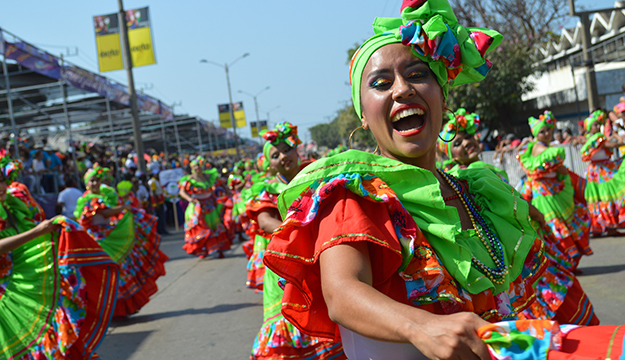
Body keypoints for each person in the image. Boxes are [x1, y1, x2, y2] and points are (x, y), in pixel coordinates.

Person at [262, 1, 607, 359]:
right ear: (364, 116)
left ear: (442, 95)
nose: (402, 90)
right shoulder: (354, 195)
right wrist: (422, 327)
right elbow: (343, 293)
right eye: (381, 83)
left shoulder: (480, 192)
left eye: (417, 75)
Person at [440, 110, 598, 325]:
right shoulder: (476, 171)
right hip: (509, 244)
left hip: (499, 246)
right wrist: (537, 214)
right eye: (457, 143)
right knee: (545, 288)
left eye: (467, 137)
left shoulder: (457, 175)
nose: (466, 143)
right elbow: (514, 201)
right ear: (452, 154)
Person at [0, 154, 119, 359]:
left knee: (55, 338)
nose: (1, 186)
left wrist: (50, 230)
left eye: (1, 180)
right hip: (7, 294)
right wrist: (37, 232)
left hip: (24, 281)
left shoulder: (10, 207)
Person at [248, 122, 345, 360]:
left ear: (296, 149)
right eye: (275, 155)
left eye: (286, 149)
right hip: (285, 263)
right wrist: (298, 230)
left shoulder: (315, 174)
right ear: (268, 162)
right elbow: (264, 221)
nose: (282, 156)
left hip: (319, 255)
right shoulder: (268, 187)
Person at [75, 164, 168, 317]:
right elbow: (104, 212)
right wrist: (123, 207)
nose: (95, 183)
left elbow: (108, 212)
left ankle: (126, 306)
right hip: (97, 239)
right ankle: (112, 308)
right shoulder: (88, 199)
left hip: (107, 234)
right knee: (110, 271)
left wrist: (122, 210)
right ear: (86, 184)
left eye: (97, 180)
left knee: (120, 269)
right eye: (92, 181)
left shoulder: (103, 196)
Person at [518, 111, 592, 271]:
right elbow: (558, 168)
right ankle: (563, 266)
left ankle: (566, 266)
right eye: (542, 132)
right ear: (536, 134)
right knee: (555, 228)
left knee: (561, 226)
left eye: (548, 130)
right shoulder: (541, 149)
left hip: (553, 191)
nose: (546, 134)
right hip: (546, 195)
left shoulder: (539, 148)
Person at [580, 110, 625, 236]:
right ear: (589, 127)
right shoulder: (597, 138)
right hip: (601, 171)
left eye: (597, 124)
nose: (597, 126)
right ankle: (608, 227)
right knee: (608, 196)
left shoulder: (590, 138)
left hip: (594, 171)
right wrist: (619, 138)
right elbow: (613, 144)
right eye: (594, 124)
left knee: (598, 199)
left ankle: (599, 227)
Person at [178, 156, 229, 259]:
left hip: (210, 204)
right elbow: (182, 192)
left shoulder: (208, 176)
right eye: (195, 167)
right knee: (201, 227)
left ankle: (218, 249)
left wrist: (228, 191)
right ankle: (203, 249)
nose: (197, 168)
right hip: (198, 206)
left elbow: (220, 183)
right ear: (192, 168)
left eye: (199, 166)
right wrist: (189, 199)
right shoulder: (189, 180)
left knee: (214, 226)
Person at [148, 169, 169, 235]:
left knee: (162, 216)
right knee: (159, 217)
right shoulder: (152, 182)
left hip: (160, 201)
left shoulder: (157, 181)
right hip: (157, 202)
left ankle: (163, 230)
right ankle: (160, 231)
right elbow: (153, 193)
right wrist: (156, 203)